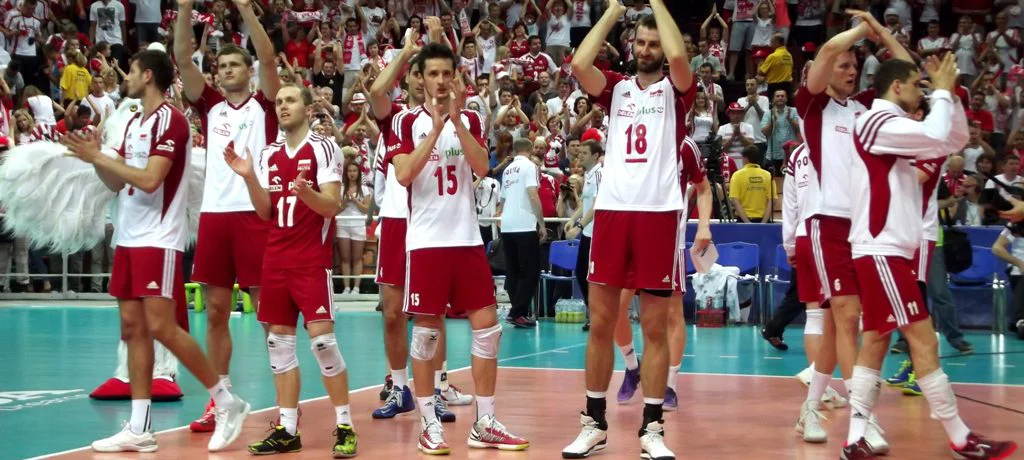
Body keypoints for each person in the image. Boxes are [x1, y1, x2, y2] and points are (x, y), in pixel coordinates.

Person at [62, 48, 250, 454]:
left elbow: (150, 180)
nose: (125, 77)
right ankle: (140, 427)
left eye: (131, 70)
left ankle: (226, 401)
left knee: (164, 327)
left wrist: (99, 156)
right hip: (128, 237)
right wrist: (97, 159)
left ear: (147, 75)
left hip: (158, 239)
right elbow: (116, 183)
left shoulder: (173, 121)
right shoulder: (133, 122)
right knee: (132, 329)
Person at [841, 54, 1016, 459]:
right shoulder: (875, 121)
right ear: (896, 86)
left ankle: (854, 438)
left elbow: (951, 140)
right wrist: (939, 92)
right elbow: (936, 133)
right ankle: (961, 438)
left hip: (890, 249)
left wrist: (948, 95)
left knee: (876, 340)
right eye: (916, 85)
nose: (921, 93)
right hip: (882, 249)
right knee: (923, 339)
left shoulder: (895, 125)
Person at [562, 1, 705, 458]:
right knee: (602, 322)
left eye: (653, 43)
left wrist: (658, 4)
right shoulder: (617, 89)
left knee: (655, 329)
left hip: (658, 215)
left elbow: (679, 57)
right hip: (612, 213)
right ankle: (594, 423)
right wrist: (614, 10)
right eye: (640, 42)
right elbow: (579, 64)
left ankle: (652, 428)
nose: (646, 49)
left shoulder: (677, 91)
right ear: (631, 46)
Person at [385, 42, 529, 455]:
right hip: (427, 243)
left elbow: (482, 166)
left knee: (489, 329)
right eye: (433, 74)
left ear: (455, 78)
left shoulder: (471, 118)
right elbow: (404, 174)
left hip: (466, 239)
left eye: (447, 73)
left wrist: (455, 122)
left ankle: (485, 422)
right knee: (426, 336)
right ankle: (429, 424)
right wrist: (434, 130)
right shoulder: (405, 121)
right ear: (419, 78)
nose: (441, 81)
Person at [792, 11, 909, 452]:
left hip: (864, 227)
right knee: (847, 316)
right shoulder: (813, 106)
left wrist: (881, 32)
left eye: (855, 65)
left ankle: (810, 407)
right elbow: (827, 50)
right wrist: (862, 30)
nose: (850, 70)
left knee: (843, 322)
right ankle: (863, 418)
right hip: (827, 222)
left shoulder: (865, 109)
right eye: (843, 65)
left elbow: (907, 74)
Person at [223, 83, 358, 457]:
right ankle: (287, 429)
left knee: (323, 345)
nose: (283, 106)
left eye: (290, 100)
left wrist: (307, 193)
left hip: (311, 261)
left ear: (307, 107)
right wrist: (249, 177)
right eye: (279, 101)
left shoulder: (324, 147)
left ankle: (345, 426)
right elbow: (265, 211)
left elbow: (331, 205)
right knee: (278, 347)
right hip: (275, 261)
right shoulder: (268, 154)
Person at [173, 0, 279, 432]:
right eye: (222, 66)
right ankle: (221, 399)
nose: (227, 70)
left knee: (268, 314)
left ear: (248, 72)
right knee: (215, 312)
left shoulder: (265, 105)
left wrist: (245, 9)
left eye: (235, 64)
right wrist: (184, 9)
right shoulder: (210, 105)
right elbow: (183, 58)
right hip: (215, 216)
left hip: (255, 213)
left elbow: (269, 57)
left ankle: (285, 405)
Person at [368, 25, 471, 423]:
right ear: (410, 77)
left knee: (433, 312)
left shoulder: (450, 112)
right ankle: (399, 387)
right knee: (392, 311)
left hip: (432, 222)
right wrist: (406, 50)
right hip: (397, 220)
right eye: (417, 72)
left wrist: (441, 39)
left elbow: (456, 79)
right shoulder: (395, 118)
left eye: (426, 72)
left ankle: (439, 388)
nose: (421, 79)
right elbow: (377, 92)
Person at [497, 137, 547, 328]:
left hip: (507, 225)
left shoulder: (507, 170)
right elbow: (532, 195)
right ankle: (517, 312)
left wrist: (502, 217)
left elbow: (502, 200)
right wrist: (541, 224)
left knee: (513, 270)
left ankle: (518, 311)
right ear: (531, 149)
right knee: (530, 271)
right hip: (524, 224)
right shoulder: (530, 167)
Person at [564, 139, 602, 331]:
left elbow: (596, 205)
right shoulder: (587, 175)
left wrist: (578, 226)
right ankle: (594, 313)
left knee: (593, 276)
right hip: (587, 232)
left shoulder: (599, 174)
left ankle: (598, 315)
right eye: (580, 152)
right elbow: (585, 204)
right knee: (581, 272)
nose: (580, 155)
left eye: (585, 153)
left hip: (597, 234)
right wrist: (573, 218)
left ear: (595, 156)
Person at [728, 145, 776, 223]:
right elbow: (772, 200)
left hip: (743, 221)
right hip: (764, 220)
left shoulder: (737, 175)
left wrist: (747, 223)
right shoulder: (768, 175)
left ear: (745, 159)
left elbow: (734, 200)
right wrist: (764, 223)